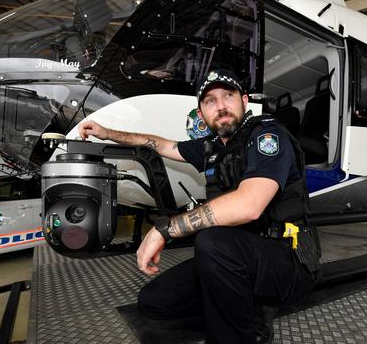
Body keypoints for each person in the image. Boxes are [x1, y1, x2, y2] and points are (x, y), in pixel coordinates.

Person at [77, 69, 318, 343]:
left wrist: (164, 230)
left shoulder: (267, 135)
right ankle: (246, 308)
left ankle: (243, 333)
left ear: (244, 101)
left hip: (287, 259)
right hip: (237, 256)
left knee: (210, 242)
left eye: (228, 96)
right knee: (155, 302)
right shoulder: (211, 147)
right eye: (210, 101)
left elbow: (249, 205)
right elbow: (159, 144)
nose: (221, 106)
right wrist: (107, 132)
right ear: (201, 114)